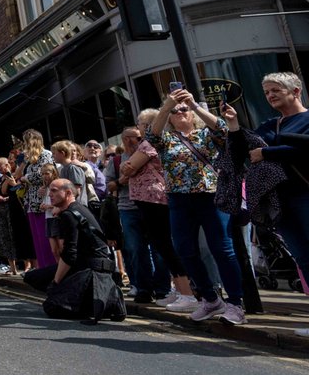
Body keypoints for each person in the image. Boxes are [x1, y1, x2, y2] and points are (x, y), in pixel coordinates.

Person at [148, 87, 246, 325]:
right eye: (176, 111)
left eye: (184, 110)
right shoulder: (167, 139)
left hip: (211, 196)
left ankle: (235, 304)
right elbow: (151, 136)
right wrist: (166, 106)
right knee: (184, 250)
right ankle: (210, 299)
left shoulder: (206, 135)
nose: (180, 112)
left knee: (222, 249)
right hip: (180, 200)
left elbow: (224, 128)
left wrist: (194, 105)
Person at [238, 72, 309, 286]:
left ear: (296, 91)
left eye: (276, 90)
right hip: (281, 201)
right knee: (303, 257)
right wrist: (230, 121)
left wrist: (268, 153)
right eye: (267, 92)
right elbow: (247, 145)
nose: (270, 95)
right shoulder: (271, 125)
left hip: (306, 194)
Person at [25, 178, 126, 323]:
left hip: (91, 271)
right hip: (92, 267)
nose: (50, 194)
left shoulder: (69, 215)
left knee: (51, 307)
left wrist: (56, 282)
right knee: (32, 277)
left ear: (67, 193)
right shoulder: (79, 208)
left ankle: (89, 304)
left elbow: (69, 255)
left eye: (54, 191)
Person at [119, 121, 194, 310]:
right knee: (162, 246)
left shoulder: (150, 144)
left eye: (143, 125)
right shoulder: (151, 144)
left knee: (165, 246)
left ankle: (186, 294)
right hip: (147, 203)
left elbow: (127, 169)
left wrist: (130, 169)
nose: (140, 130)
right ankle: (179, 291)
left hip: (156, 201)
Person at [14, 129, 55, 270]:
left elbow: (44, 175)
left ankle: (50, 269)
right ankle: (43, 269)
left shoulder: (46, 155)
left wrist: (26, 178)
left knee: (45, 239)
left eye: (25, 142)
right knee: (37, 240)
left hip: (42, 201)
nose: (23, 146)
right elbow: (16, 175)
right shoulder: (29, 159)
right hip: (31, 202)